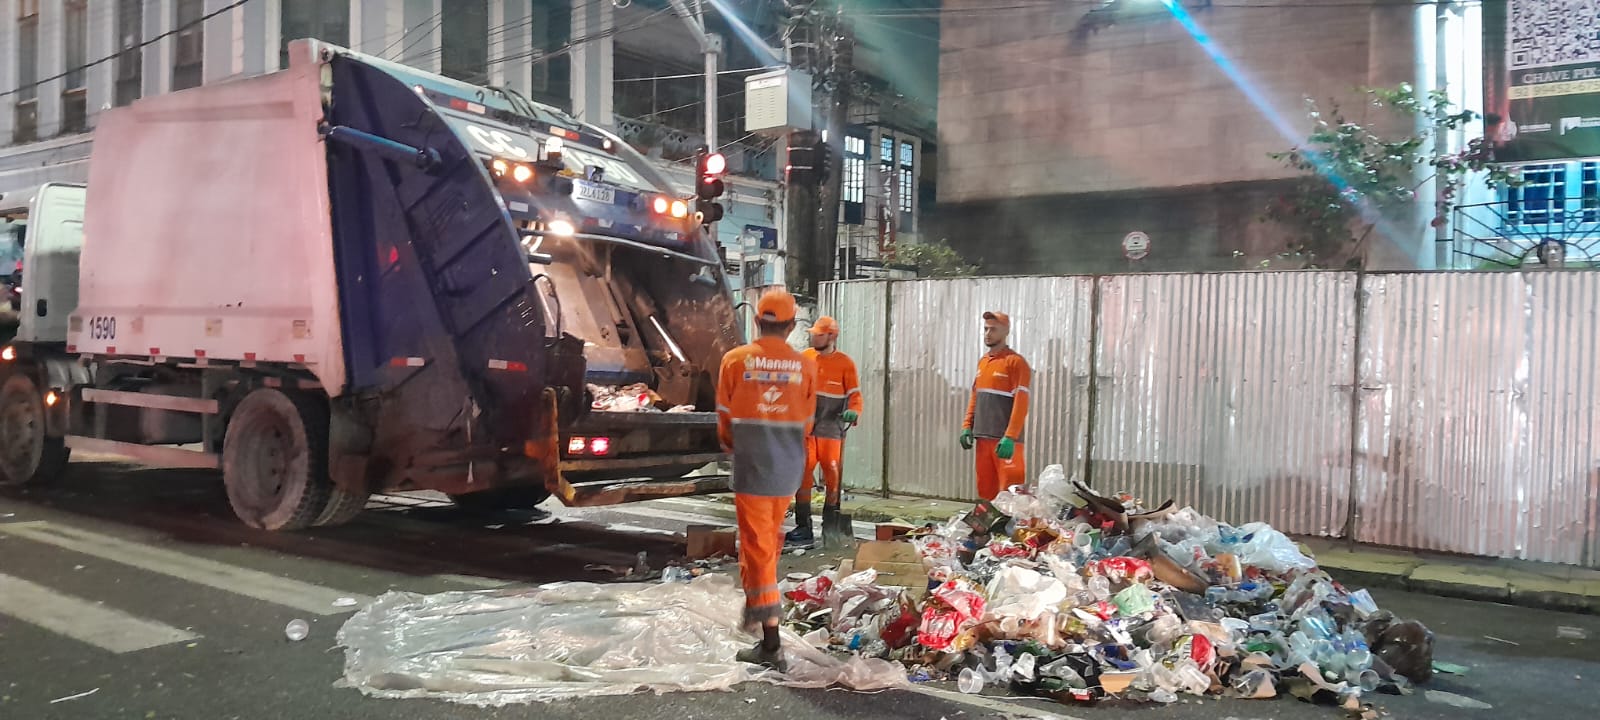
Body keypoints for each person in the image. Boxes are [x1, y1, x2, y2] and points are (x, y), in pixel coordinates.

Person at [716, 289, 816, 672]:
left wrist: (734, 444)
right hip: (789, 470)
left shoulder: (735, 360)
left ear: (757, 321)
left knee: (758, 550)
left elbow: (724, 418)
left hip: (754, 467)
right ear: (791, 326)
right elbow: (807, 422)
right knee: (765, 543)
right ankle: (755, 607)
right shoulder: (806, 366)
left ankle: (771, 643)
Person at [784, 316, 862, 549]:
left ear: (832, 336)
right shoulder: (805, 358)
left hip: (832, 428)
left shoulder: (845, 364)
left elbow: (855, 396)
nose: (814, 337)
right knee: (804, 473)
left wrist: (854, 411)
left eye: (819, 334)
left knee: (832, 473)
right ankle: (803, 527)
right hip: (807, 429)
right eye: (814, 334)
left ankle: (831, 522)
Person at [959, 311, 1031, 501]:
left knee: (1011, 495)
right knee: (986, 493)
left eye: (993, 329)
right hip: (983, 439)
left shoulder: (1016, 363)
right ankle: (988, 530)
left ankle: (1010, 529)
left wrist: (1010, 437)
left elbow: (1021, 402)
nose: (987, 333)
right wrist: (967, 426)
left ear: (1006, 331)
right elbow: (975, 396)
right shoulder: (983, 363)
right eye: (985, 329)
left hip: (1005, 443)